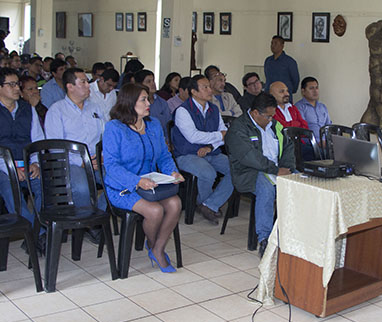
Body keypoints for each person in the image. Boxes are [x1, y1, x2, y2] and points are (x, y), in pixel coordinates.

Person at [102, 83, 184, 272]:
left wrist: (172, 172)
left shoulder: (153, 124)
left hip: (151, 184)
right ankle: (155, 247)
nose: (149, 103)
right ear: (130, 102)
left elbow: (164, 156)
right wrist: (137, 181)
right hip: (122, 187)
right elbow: (112, 165)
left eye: (148, 99)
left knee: (175, 204)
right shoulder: (115, 128)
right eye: (143, 100)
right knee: (155, 211)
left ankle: (157, 248)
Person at [0, 68, 44, 237]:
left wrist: (35, 162)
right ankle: (35, 234)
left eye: (17, 84)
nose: (17, 88)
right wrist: (11, 168)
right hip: (0, 167)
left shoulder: (28, 109)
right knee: (11, 189)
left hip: (27, 164)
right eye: (11, 85)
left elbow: (38, 140)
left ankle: (39, 229)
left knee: (46, 186)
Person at [226, 93, 295, 256]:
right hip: (248, 172)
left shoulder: (274, 125)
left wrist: (286, 168)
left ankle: (294, 233)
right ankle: (265, 239)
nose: (271, 119)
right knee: (266, 189)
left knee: (303, 182)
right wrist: (276, 170)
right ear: (255, 113)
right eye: (268, 116)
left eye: (273, 115)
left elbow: (288, 147)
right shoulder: (238, 128)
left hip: (275, 169)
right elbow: (250, 157)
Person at [172, 74, 233, 224]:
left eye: (209, 86)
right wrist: (218, 135)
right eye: (204, 87)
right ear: (194, 91)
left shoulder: (213, 109)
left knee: (237, 169)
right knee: (208, 173)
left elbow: (225, 134)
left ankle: (208, 204)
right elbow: (193, 137)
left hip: (211, 151)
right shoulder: (183, 111)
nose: (209, 90)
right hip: (187, 154)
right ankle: (207, 204)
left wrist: (210, 145)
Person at [44, 67, 107, 213]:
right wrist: (83, 162)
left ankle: (97, 215)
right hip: (71, 162)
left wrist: (103, 155)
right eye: (83, 82)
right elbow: (55, 147)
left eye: (87, 81)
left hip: (98, 160)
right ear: (70, 86)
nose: (88, 85)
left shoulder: (95, 108)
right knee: (82, 188)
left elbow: (106, 135)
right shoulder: (57, 110)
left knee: (120, 181)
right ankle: (87, 222)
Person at [295, 76, 331, 143]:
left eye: (316, 88)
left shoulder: (322, 107)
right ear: (303, 91)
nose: (315, 91)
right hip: (310, 144)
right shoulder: (299, 107)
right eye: (311, 88)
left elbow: (329, 127)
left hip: (326, 143)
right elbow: (302, 130)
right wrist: (317, 142)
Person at [133, 69, 170, 135]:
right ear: (140, 85)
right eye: (148, 82)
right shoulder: (134, 103)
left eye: (153, 80)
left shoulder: (162, 103)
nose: (153, 84)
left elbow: (168, 125)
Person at [263, 35, 299, 101]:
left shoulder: (289, 61)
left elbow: (295, 80)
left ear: (282, 46)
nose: (273, 45)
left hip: (284, 96)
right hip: (269, 96)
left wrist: (289, 90)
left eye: (275, 43)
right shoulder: (268, 60)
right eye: (272, 43)